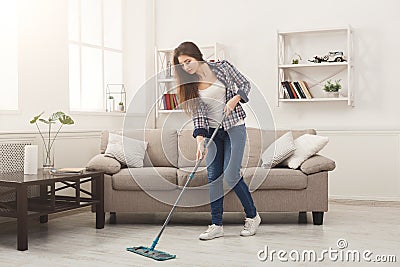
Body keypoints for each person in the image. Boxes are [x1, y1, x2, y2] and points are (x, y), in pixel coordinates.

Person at [173, 41, 261, 240]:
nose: (186, 67)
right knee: (213, 177)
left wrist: (235, 98)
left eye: (188, 61)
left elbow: (245, 84)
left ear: (197, 56)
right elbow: (199, 115)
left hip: (234, 127)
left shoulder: (223, 68)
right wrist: (199, 141)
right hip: (213, 133)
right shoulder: (191, 85)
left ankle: (253, 216)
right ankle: (216, 224)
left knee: (231, 175)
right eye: (182, 65)